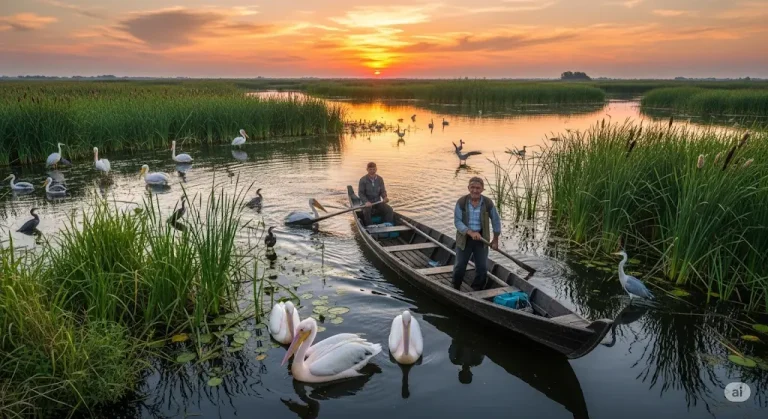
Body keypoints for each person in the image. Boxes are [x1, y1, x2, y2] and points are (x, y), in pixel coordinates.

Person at [452, 177, 501, 291]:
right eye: (472, 187)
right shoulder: (462, 202)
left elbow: (495, 220)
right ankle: (455, 287)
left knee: (482, 268)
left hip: (481, 239)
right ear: (468, 188)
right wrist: (470, 232)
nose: (475, 190)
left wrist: (495, 239)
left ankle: (477, 290)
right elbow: (457, 222)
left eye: (478, 188)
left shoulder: (488, 203)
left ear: (482, 189)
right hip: (464, 238)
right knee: (459, 266)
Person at [358, 162, 394, 226]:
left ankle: (387, 224)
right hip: (367, 203)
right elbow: (361, 193)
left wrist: (385, 197)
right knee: (367, 211)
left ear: (376, 169)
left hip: (377, 202)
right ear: (367, 169)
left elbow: (382, 191)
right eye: (370, 169)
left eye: (374, 169)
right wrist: (366, 202)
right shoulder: (363, 180)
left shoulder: (380, 179)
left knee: (389, 209)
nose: (372, 171)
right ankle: (370, 226)